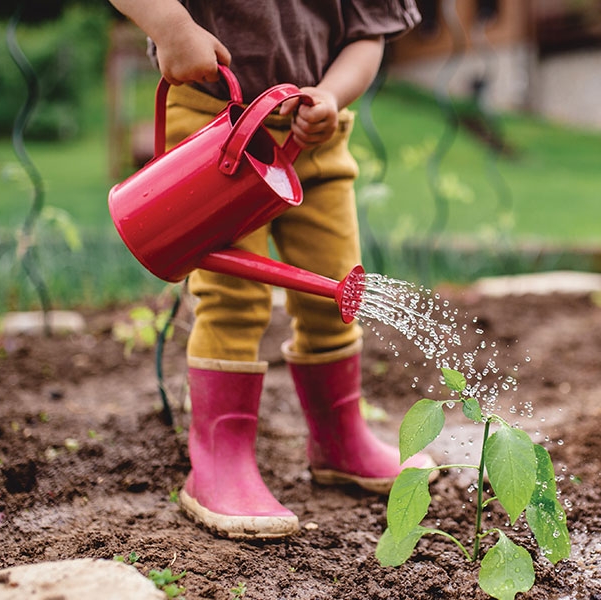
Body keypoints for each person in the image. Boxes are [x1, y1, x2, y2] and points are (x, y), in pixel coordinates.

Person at [107, 0, 434, 540]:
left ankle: (339, 437)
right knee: (234, 298)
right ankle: (219, 458)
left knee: (335, 289)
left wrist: (330, 94)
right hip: (215, 125)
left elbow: (367, 34)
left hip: (314, 136)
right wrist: (171, 25)